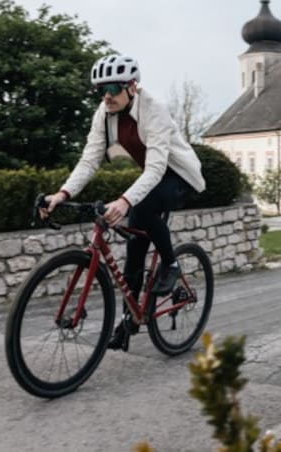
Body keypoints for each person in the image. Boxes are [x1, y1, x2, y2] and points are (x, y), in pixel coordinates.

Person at [40, 54, 206, 350]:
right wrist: (62, 194)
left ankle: (171, 264)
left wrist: (125, 201)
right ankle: (130, 320)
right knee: (134, 247)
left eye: (114, 88)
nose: (107, 96)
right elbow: (89, 161)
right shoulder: (104, 114)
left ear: (131, 86)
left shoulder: (155, 110)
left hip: (179, 176)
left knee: (140, 208)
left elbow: (157, 168)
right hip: (153, 177)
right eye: (102, 90)